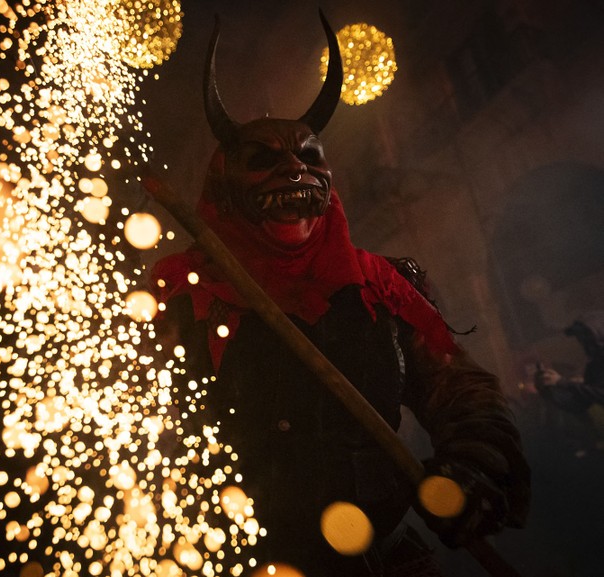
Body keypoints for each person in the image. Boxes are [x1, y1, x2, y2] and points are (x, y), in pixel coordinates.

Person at [150, 11, 530, 577]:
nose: (294, 171)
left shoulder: (385, 287)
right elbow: (147, 434)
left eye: (309, 157)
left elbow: (463, 392)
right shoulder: (187, 298)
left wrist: (472, 469)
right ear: (225, 186)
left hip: (386, 560)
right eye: (264, 160)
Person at [534, 311, 604, 456]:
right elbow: (579, 404)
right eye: (581, 339)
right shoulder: (594, 365)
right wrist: (547, 390)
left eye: (587, 337)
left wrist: (563, 382)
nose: (583, 343)